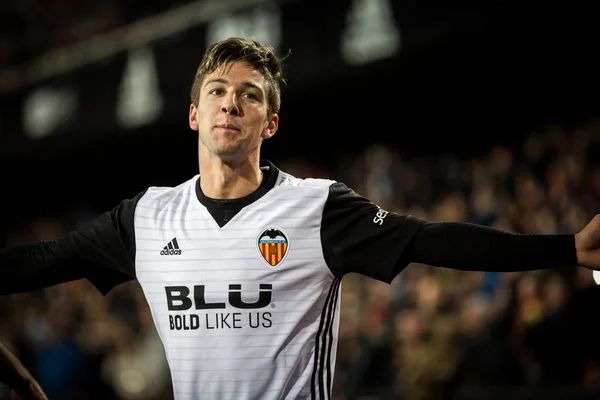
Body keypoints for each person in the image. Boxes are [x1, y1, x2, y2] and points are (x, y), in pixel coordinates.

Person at [1, 37, 599, 400]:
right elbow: (44, 260)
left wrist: (568, 247)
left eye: (250, 93)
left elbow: (432, 240)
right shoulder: (147, 217)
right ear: (192, 114)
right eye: (217, 90)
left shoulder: (317, 208)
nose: (231, 101)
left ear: (270, 123)